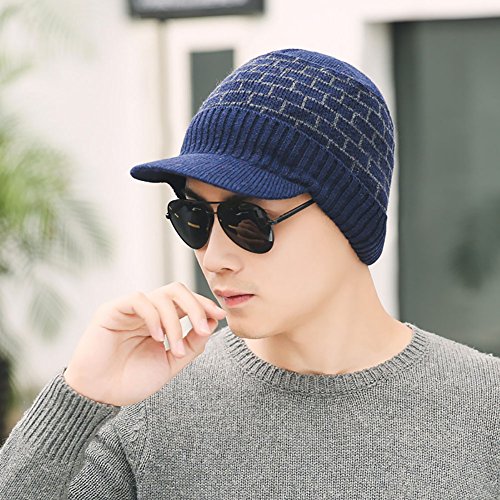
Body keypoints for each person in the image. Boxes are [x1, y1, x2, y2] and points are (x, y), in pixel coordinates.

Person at [0, 48, 498, 499]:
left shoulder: (485, 408)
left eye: (248, 220)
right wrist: (79, 397)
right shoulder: (147, 406)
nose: (214, 256)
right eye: (194, 217)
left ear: (350, 217)